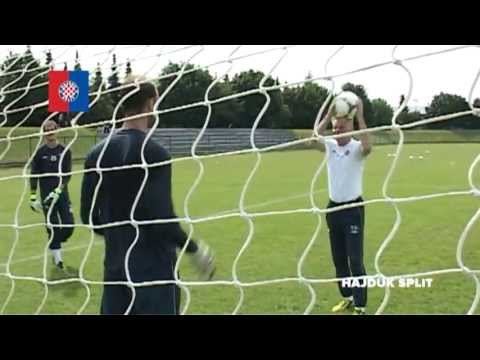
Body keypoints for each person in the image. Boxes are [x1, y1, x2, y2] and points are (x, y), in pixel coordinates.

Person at [80, 77, 215, 315]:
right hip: (155, 274)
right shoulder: (154, 153)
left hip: (115, 272)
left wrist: (117, 235)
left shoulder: (95, 154)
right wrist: (194, 249)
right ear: (152, 103)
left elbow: (89, 217)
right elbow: (162, 218)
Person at [316, 92, 372, 315]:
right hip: (333, 209)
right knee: (339, 260)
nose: (337, 131)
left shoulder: (358, 148)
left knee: (355, 260)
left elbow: (368, 146)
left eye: (342, 128)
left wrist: (359, 114)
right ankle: (348, 298)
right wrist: (330, 113)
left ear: (351, 129)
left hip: (353, 210)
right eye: (335, 128)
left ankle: (360, 306)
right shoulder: (329, 146)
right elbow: (314, 137)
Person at [30, 120, 74, 271]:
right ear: (44, 132)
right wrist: (33, 197)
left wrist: (59, 190)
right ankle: (57, 257)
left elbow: (68, 174)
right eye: (47, 129)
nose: (50, 132)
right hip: (46, 197)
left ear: (57, 130)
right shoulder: (39, 153)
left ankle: (55, 242)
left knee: (69, 224)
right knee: (52, 226)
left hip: (62, 194)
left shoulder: (65, 150)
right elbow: (33, 175)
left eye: (52, 129)